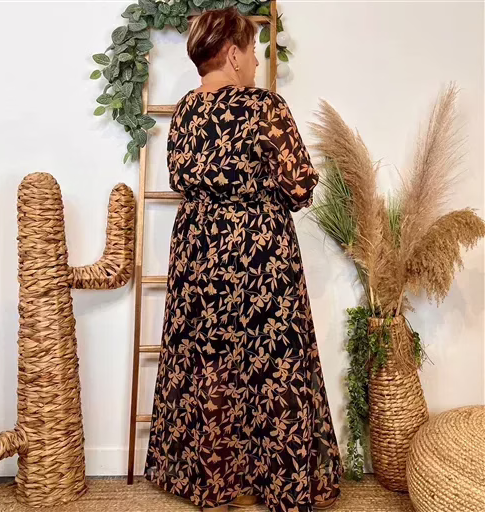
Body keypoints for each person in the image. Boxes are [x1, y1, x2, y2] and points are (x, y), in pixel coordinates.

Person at [144, 7, 342, 511]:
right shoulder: (265, 107)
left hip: (199, 254)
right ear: (233, 54)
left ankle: (214, 483)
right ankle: (277, 482)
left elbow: (179, 177)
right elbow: (299, 187)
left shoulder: (184, 112)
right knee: (273, 363)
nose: (255, 61)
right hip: (260, 256)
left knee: (207, 362)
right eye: (253, 50)